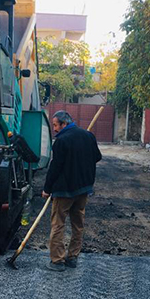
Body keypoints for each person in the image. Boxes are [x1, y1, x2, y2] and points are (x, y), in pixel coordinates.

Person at [42, 110, 102, 272]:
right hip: (83, 189)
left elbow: (55, 168)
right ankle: (73, 257)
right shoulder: (88, 136)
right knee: (78, 225)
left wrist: (47, 189)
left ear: (64, 124)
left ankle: (57, 261)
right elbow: (97, 157)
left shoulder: (61, 141)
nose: (54, 129)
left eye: (55, 125)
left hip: (64, 192)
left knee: (58, 225)